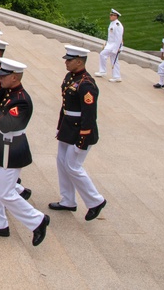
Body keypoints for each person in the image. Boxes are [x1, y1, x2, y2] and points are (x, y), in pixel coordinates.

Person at [0, 58, 51, 246]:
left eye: (4, 76)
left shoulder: (22, 100)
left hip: (12, 147)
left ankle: (38, 220)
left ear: (15, 77)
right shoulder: (10, 92)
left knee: (6, 193)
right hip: (2, 146)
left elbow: (8, 125)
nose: (0, 79)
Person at [49, 45, 108, 222]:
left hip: (80, 130)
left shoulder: (86, 84)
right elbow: (66, 105)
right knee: (61, 162)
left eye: (69, 60)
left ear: (79, 61)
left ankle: (95, 201)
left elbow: (89, 115)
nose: (66, 62)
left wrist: (83, 138)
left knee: (73, 166)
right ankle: (68, 200)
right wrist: (60, 126)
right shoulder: (71, 77)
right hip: (68, 126)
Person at [96, 9, 124, 81]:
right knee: (114, 60)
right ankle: (117, 77)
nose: (110, 16)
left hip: (114, 45)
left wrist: (116, 48)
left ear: (116, 16)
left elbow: (118, 38)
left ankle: (103, 71)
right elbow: (111, 36)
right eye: (110, 15)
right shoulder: (112, 23)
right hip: (110, 44)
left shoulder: (117, 25)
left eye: (112, 15)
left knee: (102, 54)